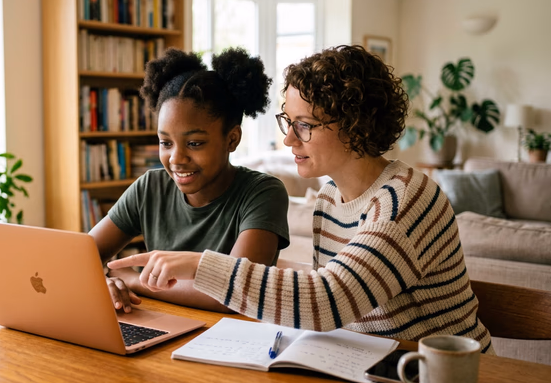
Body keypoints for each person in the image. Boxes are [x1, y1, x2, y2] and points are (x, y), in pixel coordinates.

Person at [108, 45, 494, 353]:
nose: (289, 139)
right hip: (370, 363)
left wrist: (196, 265)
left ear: (353, 125)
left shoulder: (404, 201)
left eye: (304, 126)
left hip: (446, 379)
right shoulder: (329, 200)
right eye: (287, 122)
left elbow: (329, 301)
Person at [91, 47, 291, 314]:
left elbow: (238, 291)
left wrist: (133, 280)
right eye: (165, 143)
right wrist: (104, 282)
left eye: (194, 143)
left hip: (231, 341)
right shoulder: (150, 187)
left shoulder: (263, 193)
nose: (176, 158)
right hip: (163, 326)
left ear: (232, 139)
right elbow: (81, 258)